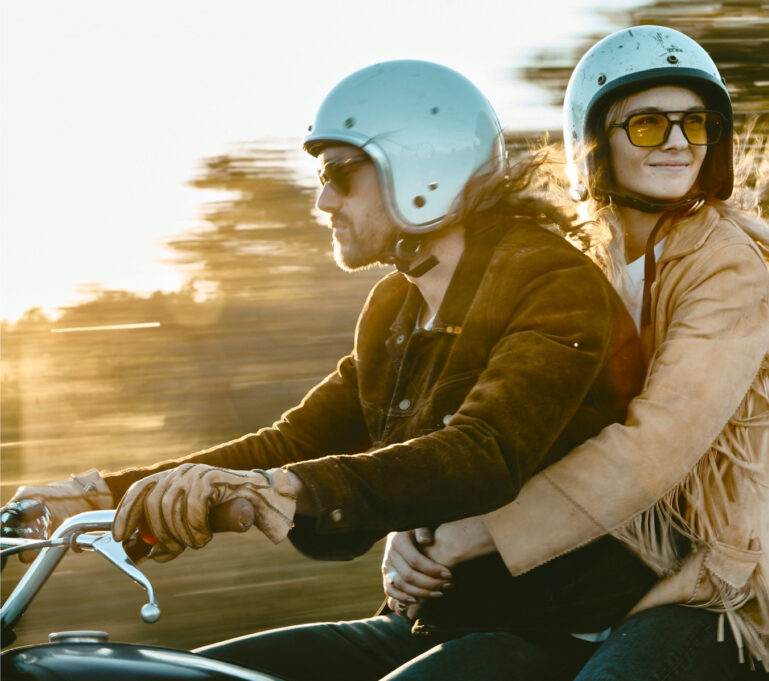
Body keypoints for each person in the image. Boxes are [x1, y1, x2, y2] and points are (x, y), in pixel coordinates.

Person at [7, 60, 659, 680]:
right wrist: (97, 493)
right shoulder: (394, 308)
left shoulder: (549, 281)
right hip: (426, 620)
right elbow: (292, 443)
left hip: (549, 634)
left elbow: (483, 451)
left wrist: (283, 489)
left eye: (340, 173)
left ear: (422, 169)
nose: (322, 199)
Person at [381, 26, 769, 681]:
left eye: (698, 124)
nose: (683, 143)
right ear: (595, 141)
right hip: (565, 588)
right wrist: (416, 520)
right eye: (653, 125)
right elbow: (496, 405)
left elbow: (654, 447)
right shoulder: (571, 263)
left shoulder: (727, 270)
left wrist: (474, 534)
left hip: (695, 589)